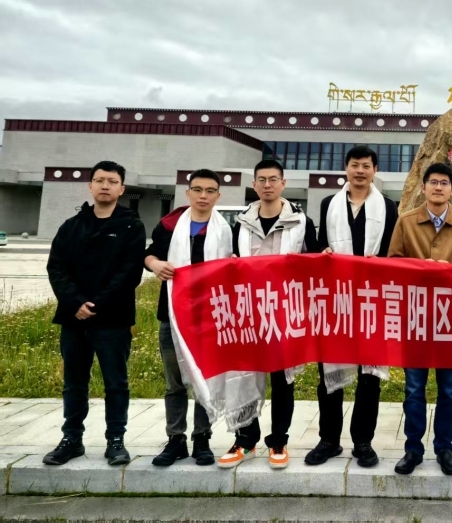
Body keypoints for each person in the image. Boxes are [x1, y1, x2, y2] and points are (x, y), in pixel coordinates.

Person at [217, 159, 318, 470]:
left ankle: (278, 440)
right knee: (244, 375)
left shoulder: (301, 222)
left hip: (285, 311)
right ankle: (245, 439)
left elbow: (314, 264)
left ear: (283, 183)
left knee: (282, 379)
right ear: (254, 185)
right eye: (261, 180)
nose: (267, 185)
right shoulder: (242, 222)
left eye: (273, 179)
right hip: (248, 311)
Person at [43, 161, 146, 467]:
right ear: (90, 186)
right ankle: (71, 438)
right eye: (100, 180)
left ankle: (116, 440)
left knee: (116, 382)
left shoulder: (131, 226)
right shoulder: (72, 226)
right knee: (74, 383)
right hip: (73, 318)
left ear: (121, 189)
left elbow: (129, 273)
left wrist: (95, 305)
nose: (105, 186)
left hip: (113, 319)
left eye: (112, 181)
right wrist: (75, 302)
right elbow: (56, 267)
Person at [305, 146, 398, 469]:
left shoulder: (388, 207)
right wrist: (324, 251)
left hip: (373, 299)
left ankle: (363, 442)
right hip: (336, 299)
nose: (360, 170)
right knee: (329, 374)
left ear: (375, 171)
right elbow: (319, 245)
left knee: (369, 376)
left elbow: (392, 251)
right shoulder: (329, 204)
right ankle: (328, 440)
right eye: (355, 165)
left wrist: (380, 261)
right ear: (346, 168)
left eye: (366, 166)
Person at [388, 163, 452, 476]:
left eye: (444, 183)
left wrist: (449, 271)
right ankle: (413, 449)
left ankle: (445, 448)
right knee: (414, 390)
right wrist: (421, 268)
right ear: (424, 187)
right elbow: (393, 265)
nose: (438, 187)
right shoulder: (406, 221)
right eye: (433, 182)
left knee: (449, 391)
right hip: (415, 318)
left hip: (451, 321)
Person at [144, 169, 233, 467]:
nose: (203, 196)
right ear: (188, 193)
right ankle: (176, 439)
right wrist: (155, 264)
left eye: (210, 191)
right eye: (197, 189)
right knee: (175, 383)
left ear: (218, 195)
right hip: (172, 314)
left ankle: (202, 438)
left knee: (205, 380)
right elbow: (149, 254)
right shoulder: (169, 226)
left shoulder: (226, 230)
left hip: (209, 317)